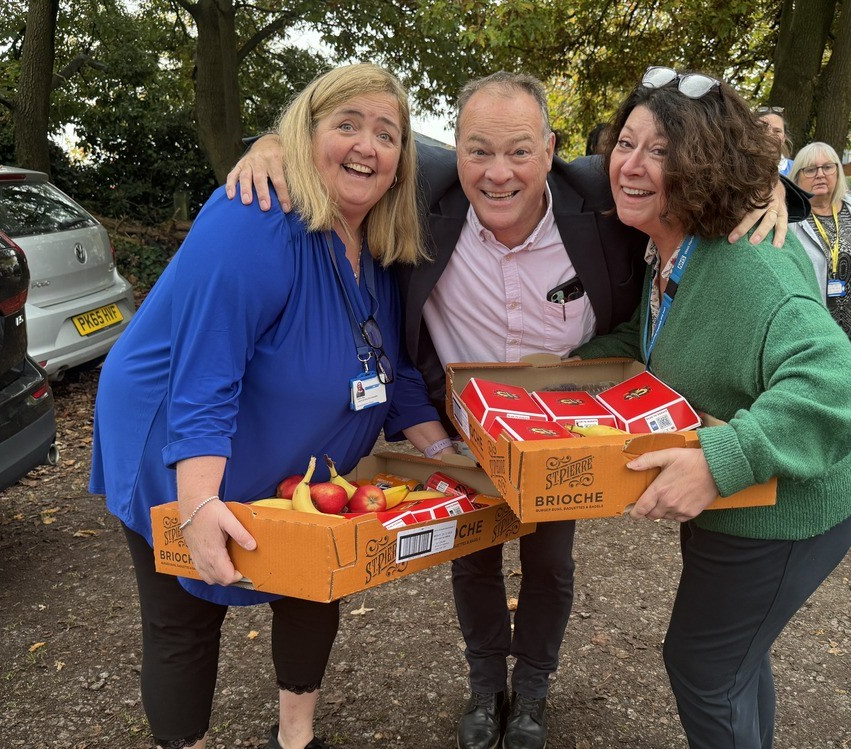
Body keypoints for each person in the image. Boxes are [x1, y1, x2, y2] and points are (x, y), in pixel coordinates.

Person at [227, 70, 801, 749]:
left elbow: (693, 155)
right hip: (467, 430)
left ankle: (531, 692)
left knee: (550, 564)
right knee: (470, 560)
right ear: (455, 151)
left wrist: (772, 189)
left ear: (551, 148)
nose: (498, 173)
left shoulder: (600, 197)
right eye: (478, 151)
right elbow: (337, 143)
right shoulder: (423, 191)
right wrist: (270, 143)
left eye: (521, 152)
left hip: (560, 437)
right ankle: (483, 686)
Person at [89, 64, 457, 749]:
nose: (367, 145)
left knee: (314, 582)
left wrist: (445, 455)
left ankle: (296, 736)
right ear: (303, 135)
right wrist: (197, 504)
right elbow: (204, 373)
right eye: (346, 124)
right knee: (185, 613)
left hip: (299, 452)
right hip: (176, 436)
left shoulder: (373, 242)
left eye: (386, 133)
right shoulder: (254, 218)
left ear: (402, 162)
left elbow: (391, 366)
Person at [571, 66, 851, 749]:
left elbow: (835, 387)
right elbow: (661, 335)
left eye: (660, 150)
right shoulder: (674, 250)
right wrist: (573, 370)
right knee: (733, 662)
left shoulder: (748, 268)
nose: (632, 164)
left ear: (702, 162)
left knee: (704, 666)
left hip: (789, 510)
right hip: (743, 501)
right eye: (626, 143)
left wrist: (721, 457)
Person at [791, 141, 851, 377]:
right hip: (809, 323)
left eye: (828, 167)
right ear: (797, 177)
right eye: (810, 169)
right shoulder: (791, 217)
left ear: (837, 171)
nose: (820, 175)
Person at [756, 105, 794, 176]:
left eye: (777, 131)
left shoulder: (797, 170)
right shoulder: (739, 169)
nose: (769, 135)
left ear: (784, 138)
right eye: (762, 129)